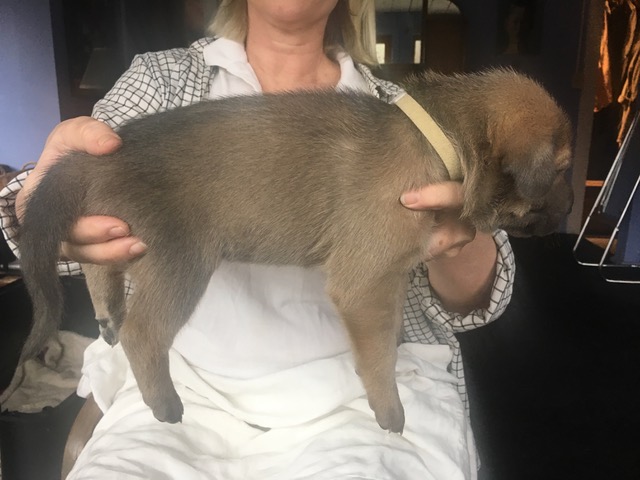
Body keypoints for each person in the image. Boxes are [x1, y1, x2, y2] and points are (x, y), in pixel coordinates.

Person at [0, 1, 515, 478]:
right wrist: (36, 202)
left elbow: (477, 304)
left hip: (351, 399)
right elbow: (72, 192)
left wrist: (467, 218)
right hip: (192, 386)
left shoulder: (403, 114)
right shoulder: (165, 79)